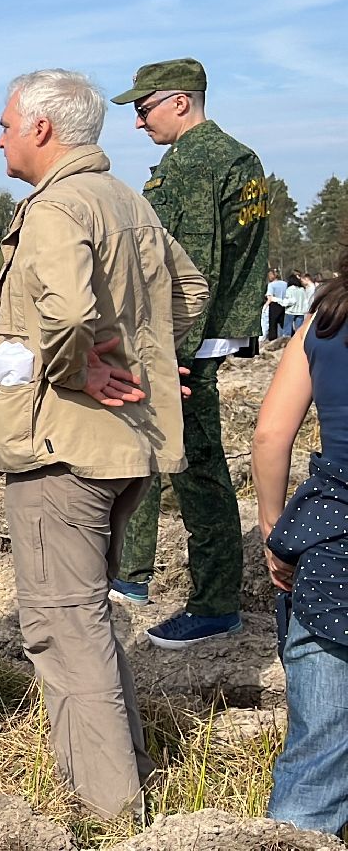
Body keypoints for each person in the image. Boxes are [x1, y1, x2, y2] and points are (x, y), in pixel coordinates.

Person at [0, 69, 207, 819]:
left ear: (42, 129)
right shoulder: (128, 200)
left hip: (62, 449)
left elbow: (70, 314)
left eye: (6, 124)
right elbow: (191, 292)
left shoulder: (56, 206)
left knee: (62, 629)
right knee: (87, 618)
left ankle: (110, 811)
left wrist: (80, 369)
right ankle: (128, 774)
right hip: (124, 448)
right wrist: (147, 359)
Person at [109, 58, 268, 648]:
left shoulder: (199, 162)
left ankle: (214, 603)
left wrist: (170, 347)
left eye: (143, 108)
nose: (138, 122)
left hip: (187, 341)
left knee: (195, 464)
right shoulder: (234, 158)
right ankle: (131, 574)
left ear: (180, 101)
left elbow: (194, 267)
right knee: (156, 447)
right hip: (203, 334)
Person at [252, 253, 348, 836]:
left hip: (333, 554)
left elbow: (270, 434)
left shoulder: (326, 316)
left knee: (315, 760)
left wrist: (273, 528)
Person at [283, 272, 314, 336]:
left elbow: (288, 301)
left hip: (290, 311)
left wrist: (280, 301)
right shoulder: (302, 290)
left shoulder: (289, 289)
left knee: (287, 329)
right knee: (299, 330)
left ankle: (287, 340)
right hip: (300, 312)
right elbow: (305, 301)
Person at [264, 269, 287, 340]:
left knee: (273, 324)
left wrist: (265, 307)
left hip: (274, 305)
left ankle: (272, 339)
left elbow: (270, 297)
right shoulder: (285, 283)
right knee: (284, 323)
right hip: (284, 304)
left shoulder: (271, 285)